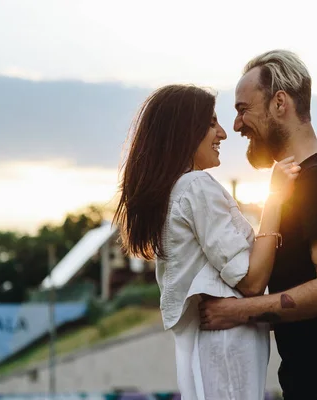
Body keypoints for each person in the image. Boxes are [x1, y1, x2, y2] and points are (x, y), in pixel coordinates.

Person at [199, 50, 317, 399]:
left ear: (279, 103)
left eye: (243, 110)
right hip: (315, 379)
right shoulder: (293, 186)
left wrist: (238, 312)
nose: (237, 125)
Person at [113, 84, 300, 400]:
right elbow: (251, 281)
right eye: (211, 122)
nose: (223, 133)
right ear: (185, 131)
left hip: (214, 345)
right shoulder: (195, 186)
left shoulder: (176, 191)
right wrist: (275, 198)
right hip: (226, 346)